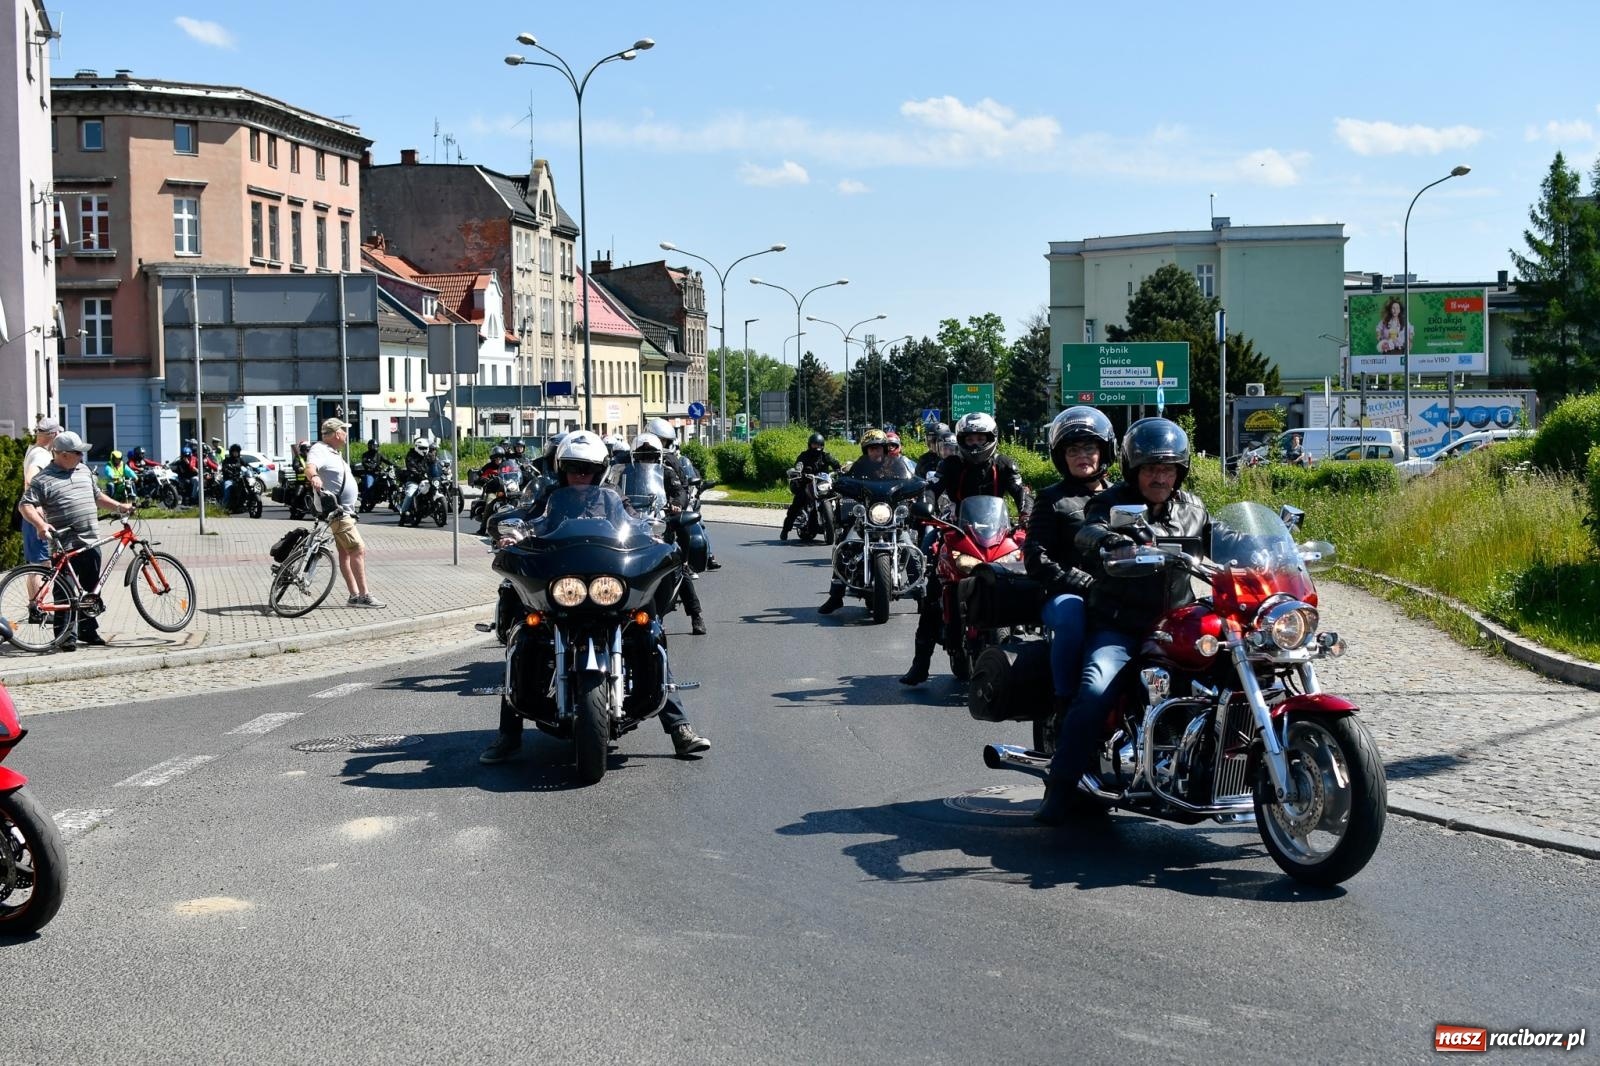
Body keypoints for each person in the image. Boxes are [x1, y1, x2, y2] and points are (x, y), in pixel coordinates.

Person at [479, 430, 711, 764]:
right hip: (562, 583)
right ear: (562, 469)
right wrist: (511, 536)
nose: (580, 475)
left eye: (587, 469)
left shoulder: (613, 498)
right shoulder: (547, 496)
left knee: (648, 632)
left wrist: (657, 530)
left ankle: (680, 729)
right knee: (524, 634)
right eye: (574, 468)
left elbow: (638, 522)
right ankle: (508, 736)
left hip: (607, 581)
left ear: (600, 470)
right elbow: (526, 519)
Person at [1033, 417, 1210, 826]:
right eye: (1151, 468)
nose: (1159, 477)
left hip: (1177, 622)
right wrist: (1107, 539)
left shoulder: (1194, 507)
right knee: (1095, 690)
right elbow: (1090, 529)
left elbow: (1222, 542)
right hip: (1120, 624)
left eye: (1167, 468)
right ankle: (1060, 786)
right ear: (1134, 470)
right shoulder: (1113, 503)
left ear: (1180, 471)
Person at [898, 413, 1030, 684]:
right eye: (969, 438)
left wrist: (1028, 513)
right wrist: (926, 506)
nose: (975, 443)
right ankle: (920, 663)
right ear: (960, 440)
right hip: (960, 529)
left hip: (996, 532)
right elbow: (932, 489)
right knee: (935, 590)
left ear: (991, 439)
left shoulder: (1005, 464)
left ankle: (1026, 641)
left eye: (981, 438)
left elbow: (1021, 493)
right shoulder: (951, 464)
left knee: (1023, 579)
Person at [1021, 406, 1116, 716]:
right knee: (1073, 615)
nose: (1082, 456)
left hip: (1118, 591)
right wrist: (1074, 579)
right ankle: (1064, 701)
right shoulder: (1052, 499)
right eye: (1073, 450)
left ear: (1104, 451)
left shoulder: (1124, 497)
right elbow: (1035, 557)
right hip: (1065, 593)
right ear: (1062, 456)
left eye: (1089, 447)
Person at [17, 431, 135, 650]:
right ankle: (65, 637)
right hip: (64, 544)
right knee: (65, 592)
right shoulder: (44, 478)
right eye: (77, 453)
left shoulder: (83, 470)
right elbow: (25, 505)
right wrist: (41, 525)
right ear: (61, 455)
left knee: (91, 590)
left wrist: (120, 507)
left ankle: (88, 631)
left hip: (90, 541)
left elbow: (98, 496)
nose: (82, 456)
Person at [819, 429, 915, 615]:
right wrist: (840, 484)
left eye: (878, 448)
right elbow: (847, 481)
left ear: (885, 449)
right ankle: (835, 596)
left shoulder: (897, 467)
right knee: (844, 545)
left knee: (909, 545)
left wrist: (916, 485)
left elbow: (910, 481)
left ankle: (921, 593)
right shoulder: (859, 468)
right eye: (871, 449)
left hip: (891, 517)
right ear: (866, 451)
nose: (875, 452)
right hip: (865, 519)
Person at [305, 417, 385, 608]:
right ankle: (364, 596)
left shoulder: (333, 452)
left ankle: (353, 595)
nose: (346, 434)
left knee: (345, 553)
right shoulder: (320, 449)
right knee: (358, 549)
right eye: (344, 430)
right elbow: (309, 467)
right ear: (335, 433)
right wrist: (314, 477)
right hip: (337, 512)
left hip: (344, 511)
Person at [632, 431, 706, 634]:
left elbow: (679, 492)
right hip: (635, 526)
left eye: (649, 455)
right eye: (641, 455)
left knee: (676, 564)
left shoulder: (666, 472)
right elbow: (615, 494)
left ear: (657, 455)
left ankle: (696, 615)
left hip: (660, 523)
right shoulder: (625, 474)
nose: (645, 458)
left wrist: (675, 504)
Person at [20, 419, 63, 611]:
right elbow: (29, 479)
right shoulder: (41, 456)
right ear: (53, 435)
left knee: (35, 564)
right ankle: (41, 607)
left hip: (30, 516)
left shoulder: (33, 450)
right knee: (43, 564)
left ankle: (34, 606)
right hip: (37, 518)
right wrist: (38, 509)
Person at [781, 432, 842, 541]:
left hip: (823, 484)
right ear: (810, 445)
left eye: (819, 445)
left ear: (823, 445)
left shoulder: (826, 456)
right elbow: (798, 466)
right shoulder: (804, 456)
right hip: (807, 483)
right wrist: (798, 472)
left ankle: (840, 526)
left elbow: (836, 464)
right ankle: (785, 530)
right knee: (798, 501)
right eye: (815, 445)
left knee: (839, 497)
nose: (817, 447)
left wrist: (840, 470)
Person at [219, 444, 247, 511]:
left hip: (239, 479)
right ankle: (223, 507)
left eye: (237, 452)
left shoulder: (240, 460)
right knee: (227, 488)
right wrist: (226, 470)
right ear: (231, 452)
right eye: (234, 452)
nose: (235, 453)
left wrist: (256, 469)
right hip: (229, 479)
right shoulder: (227, 460)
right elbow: (223, 467)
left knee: (248, 486)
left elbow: (247, 465)